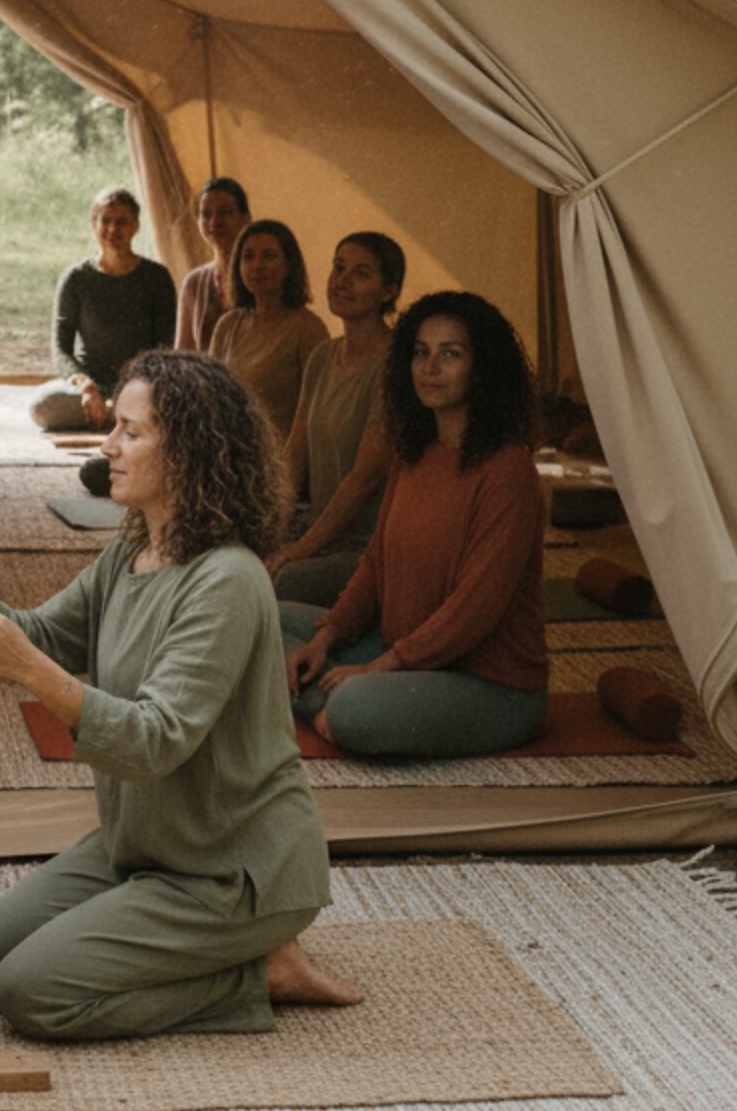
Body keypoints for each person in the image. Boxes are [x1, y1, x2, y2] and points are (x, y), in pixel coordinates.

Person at [0, 350, 357, 1041]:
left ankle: (258, 972)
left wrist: (29, 668)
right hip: (144, 846)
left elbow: (155, 739)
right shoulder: (129, 554)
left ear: (187, 453)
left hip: (229, 870)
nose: (108, 446)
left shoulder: (228, 580)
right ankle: (202, 947)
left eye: (131, 431)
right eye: (114, 426)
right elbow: (40, 636)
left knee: (33, 994)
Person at [280, 291, 547, 758]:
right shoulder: (413, 454)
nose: (430, 367)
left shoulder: (508, 470)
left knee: (355, 709)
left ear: (483, 368)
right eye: (421, 352)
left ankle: (328, 708)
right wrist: (327, 636)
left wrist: (380, 668)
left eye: (451, 354)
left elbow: (475, 609)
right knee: (264, 621)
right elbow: (375, 563)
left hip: (484, 684)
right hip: (402, 656)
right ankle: (325, 703)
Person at [267, 233, 406, 607]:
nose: (341, 281)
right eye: (338, 267)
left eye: (360, 274)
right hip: (318, 526)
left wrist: (300, 549)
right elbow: (295, 455)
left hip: (367, 547)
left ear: (389, 291)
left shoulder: (394, 365)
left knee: (275, 584)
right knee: (225, 557)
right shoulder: (323, 357)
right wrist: (267, 526)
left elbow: (365, 478)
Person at [30, 186, 176, 431]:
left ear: (136, 226)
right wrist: (85, 385)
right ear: (93, 223)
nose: (113, 230)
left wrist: (136, 386)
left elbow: (165, 345)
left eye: (122, 222)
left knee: (175, 403)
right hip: (90, 387)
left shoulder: (156, 277)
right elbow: (61, 348)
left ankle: (113, 414)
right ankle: (117, 417)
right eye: (105, 221)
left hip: (142, 385)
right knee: (43, 406)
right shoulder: (76, 278)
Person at [207, 219, 330, 440]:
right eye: (248, 257)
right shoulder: (228, 324)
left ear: (289, 264)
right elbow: (209, 395)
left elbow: (318, 411)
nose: (257, 266)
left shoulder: (308, 328)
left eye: (269, 256)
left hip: (281, 454)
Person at [174, 177, 251, 353]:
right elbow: (182, 355)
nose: (215, 222)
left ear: (245, 218)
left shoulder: (259, 274)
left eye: (225, 212)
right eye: (206, 214)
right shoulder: (194, 283)